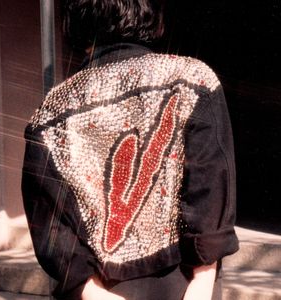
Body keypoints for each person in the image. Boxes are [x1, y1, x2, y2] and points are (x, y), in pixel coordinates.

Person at [22, 1, 239, 299]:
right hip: (183, 281)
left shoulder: (53, 109)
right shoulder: (191, 80)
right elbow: (211, 181)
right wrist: (203, 281)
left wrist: (90, 291)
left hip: (100, 288)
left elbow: (47, 216)